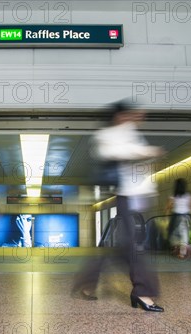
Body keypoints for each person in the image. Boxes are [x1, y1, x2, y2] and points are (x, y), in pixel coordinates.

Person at [73, 100, 165, 312]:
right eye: (130, 114)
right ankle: (142, 292)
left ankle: (87, 280)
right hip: (126, 196)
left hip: (138, 196)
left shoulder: (130, 132)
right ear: (120, 116)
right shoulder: (108, 134)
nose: (136, 116)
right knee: (135, 246)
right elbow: (112, 153)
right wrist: (148, 151)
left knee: (125, 247)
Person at [166, 178, 191, 259]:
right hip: (186, 216)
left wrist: (167, 217)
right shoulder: (188, 195)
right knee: (184, 235)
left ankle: (178, 249)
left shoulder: (173, 196)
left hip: (176, 217)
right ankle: (182, 252)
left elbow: (168, 207)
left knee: (173, 234)